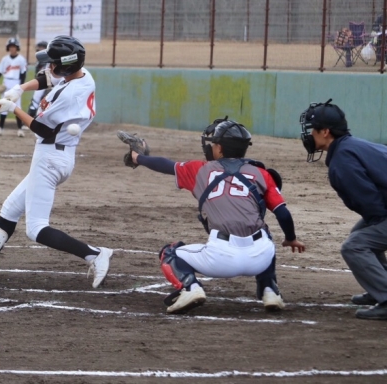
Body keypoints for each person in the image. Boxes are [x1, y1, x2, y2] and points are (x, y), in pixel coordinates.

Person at [0, 35, 113, 288]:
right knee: (11, 207)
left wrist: (14, 109)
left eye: (53, 62)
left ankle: (95, 254)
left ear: (66, 65)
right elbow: (49, 78)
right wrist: (20, 89)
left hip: (50, 157)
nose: (49, 66)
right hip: (57, 154)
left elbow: (43, 130)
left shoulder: (70, 96)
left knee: (36, 229)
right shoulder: (82, 75)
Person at [124, 118, 305, 314]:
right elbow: (283, 214)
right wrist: (291, 238)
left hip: (220, 260)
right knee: (264, 234)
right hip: (260, 259)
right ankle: (270, 290)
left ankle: (190, 288)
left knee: (170, 253)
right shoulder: (261, 173)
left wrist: (138, 157)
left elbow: (166, 165)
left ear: (219, 148)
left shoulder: (200, 169)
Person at [300, 99, 387, 320]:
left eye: (313, 130)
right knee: (362, 234)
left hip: (382, 207)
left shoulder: (342, 160)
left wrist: (377, 220)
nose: (309, 135)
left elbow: (369, 201)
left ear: (325, 132)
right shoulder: (352, 145)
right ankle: (380, 286)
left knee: (355, 246)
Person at [0, 37, 27, 137]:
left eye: (14, 46)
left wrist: (21, 87)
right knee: (3, 106)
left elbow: (23, 74)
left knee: (17, 107)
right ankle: (0, 129)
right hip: (6, 83)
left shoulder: (21, 59)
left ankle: (20, 129)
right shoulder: (5, 59)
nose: (12, 48)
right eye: (10, 46)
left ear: (17, 47)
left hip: (16, 83)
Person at [26, 41, 50, 119]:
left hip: (49, 84)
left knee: (40, 102)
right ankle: (31, 118)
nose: (39, 50)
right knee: (35, 103)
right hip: (41, 83)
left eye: (42, 48)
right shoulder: (38, 62)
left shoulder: (48, 61)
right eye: (39, 48)